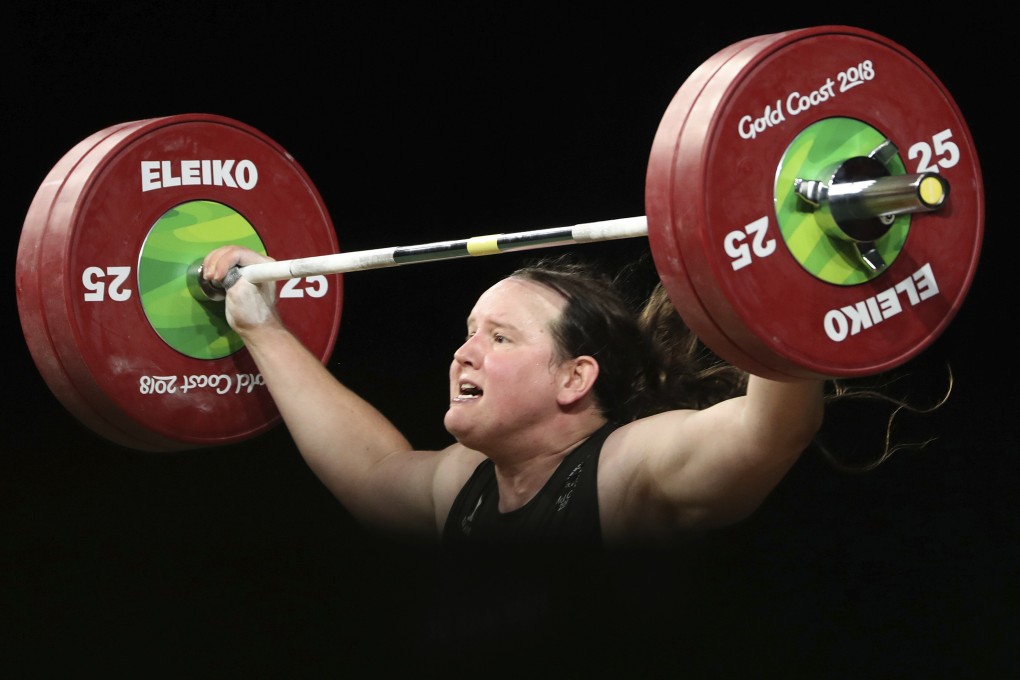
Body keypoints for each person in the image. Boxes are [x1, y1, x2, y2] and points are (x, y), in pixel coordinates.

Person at [200, 245, 825, 549]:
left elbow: (767, 429)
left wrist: (799, 269)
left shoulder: (627, 469)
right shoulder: (467, 483)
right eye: (469, 333)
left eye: (500, 338)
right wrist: (260, 327)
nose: (464, 354)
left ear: (574, 379)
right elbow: (370, 471)